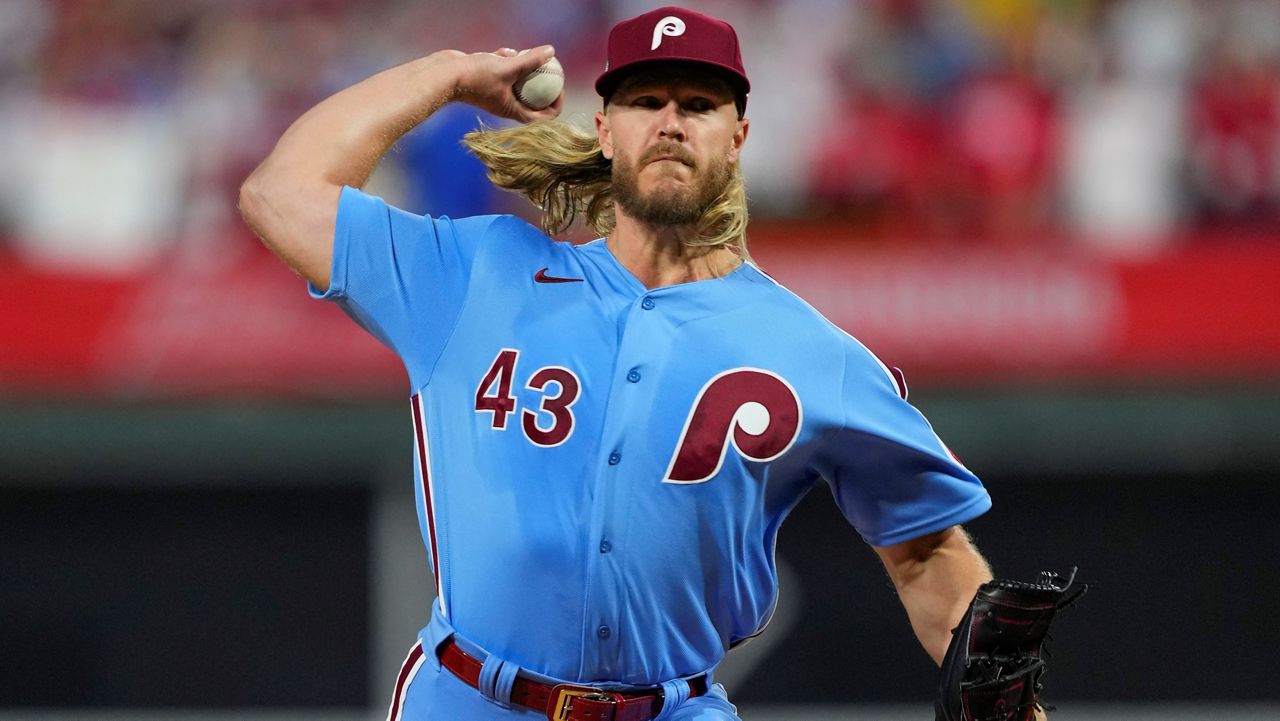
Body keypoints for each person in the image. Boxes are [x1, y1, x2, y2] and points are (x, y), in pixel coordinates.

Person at [240, 6, 1003, 721]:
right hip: (469, 694)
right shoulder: (478, 274)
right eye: (646, 101)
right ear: (605, 130)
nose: (670, 122)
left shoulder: (813, 351)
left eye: (698, 104)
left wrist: (1004, 699)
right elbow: (280, 194)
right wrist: (448, 75)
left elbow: (927, 548)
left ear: (738, 135)